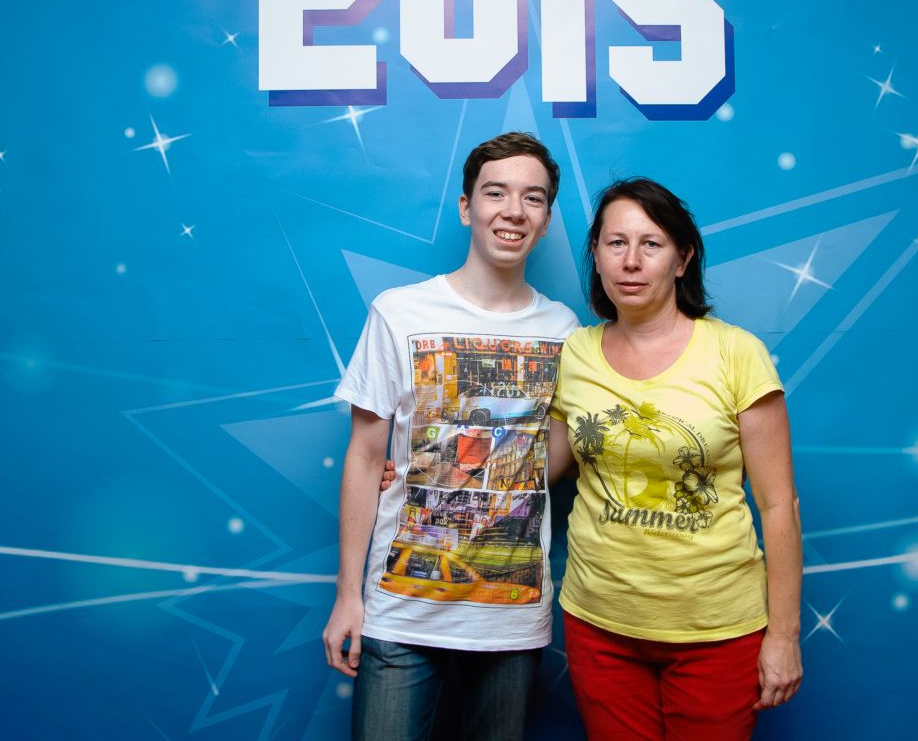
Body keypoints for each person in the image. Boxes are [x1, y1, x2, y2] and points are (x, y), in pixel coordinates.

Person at [322, 131, 580, 741]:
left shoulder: (564, 329)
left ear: (546, 219)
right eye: (495, 193)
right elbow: (365, 457)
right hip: (401, 609)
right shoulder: (399, 312)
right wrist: (348, 595)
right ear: (467, 207)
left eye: (533, 198)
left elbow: (551, 463)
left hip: (510, 615)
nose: (513, 210)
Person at [547, 178, 802, 739]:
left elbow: (778, 504)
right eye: (616, 243)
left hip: (717, 628)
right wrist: (420, 467)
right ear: (596, 255)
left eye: (651, 244)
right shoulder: (576, 353)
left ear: (683, 259)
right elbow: (543, 467)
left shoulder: (736, 353)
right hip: (599, 623)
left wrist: (783, 636)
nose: (631, 262)